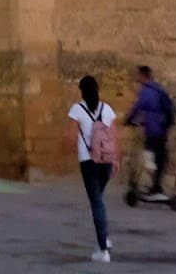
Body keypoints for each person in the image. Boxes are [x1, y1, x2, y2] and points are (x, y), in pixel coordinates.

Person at [68, 74, 118, 263]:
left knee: (96, 202)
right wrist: (116, 159)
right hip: (105, 160)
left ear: (82, 91)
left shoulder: (77, 109)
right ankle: (104, 236)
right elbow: (114, 135)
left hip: (88, 161)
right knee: (98, 200)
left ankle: (103, 249)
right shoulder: (107, 109)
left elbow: (71, 135)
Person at [124, 65, 176, 197]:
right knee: (160, 157)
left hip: (152, 130)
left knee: (149, 156)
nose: (137, 79)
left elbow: (138, 108)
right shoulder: (160, 90)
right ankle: (156, 185)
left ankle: (150, 183)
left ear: (143, 76)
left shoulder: (146, 92)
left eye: (139, 76)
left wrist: (128, 120)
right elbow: (166, 109)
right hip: (162, 130)